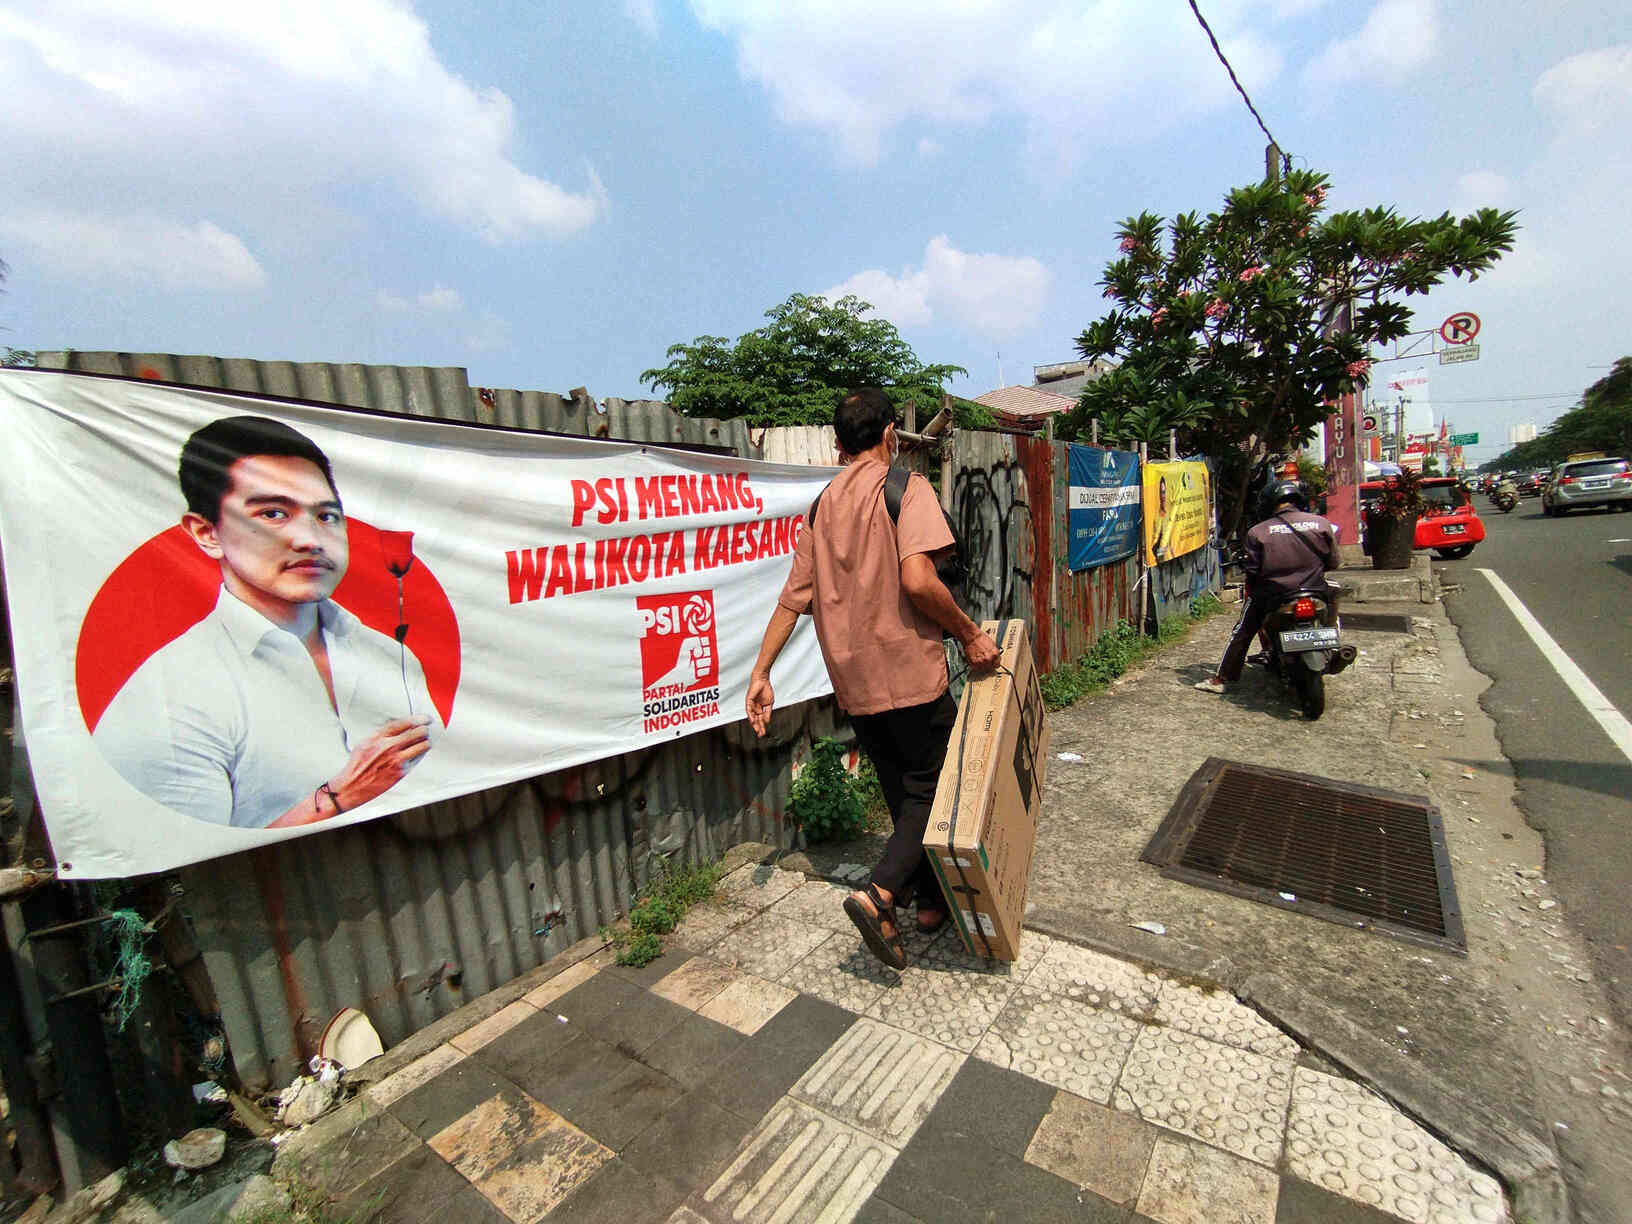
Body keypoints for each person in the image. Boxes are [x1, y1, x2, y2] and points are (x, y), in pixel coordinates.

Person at [746, 388, 999, 968]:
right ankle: (882, 894)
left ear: (838, 445)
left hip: (853, 682)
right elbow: (918, 580)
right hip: (908, 671)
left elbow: (792, 601)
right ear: (890, 435)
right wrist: (968, 633)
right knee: (936, 790)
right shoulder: (907, 489)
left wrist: (761, 673)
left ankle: (930, 904)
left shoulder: (820, 507)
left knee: (900, 788)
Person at [94, 416, 439, 828]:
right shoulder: (170, 695)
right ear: (207, 533)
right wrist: (338, 798)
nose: (310, 539)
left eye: (327, 516)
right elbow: (184, 861)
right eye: (274, 513)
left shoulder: (387, 654)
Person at [1194, 480, 1339, 694]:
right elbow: (1333, 562)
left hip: (1276, 595)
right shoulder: (1321, 524)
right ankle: (1333, 641)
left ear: (1270, 503)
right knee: (1334, 597)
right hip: (1314, 590)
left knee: (1242, 631)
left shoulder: (1258, 532)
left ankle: (1223, 678)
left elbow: (1253, 570)